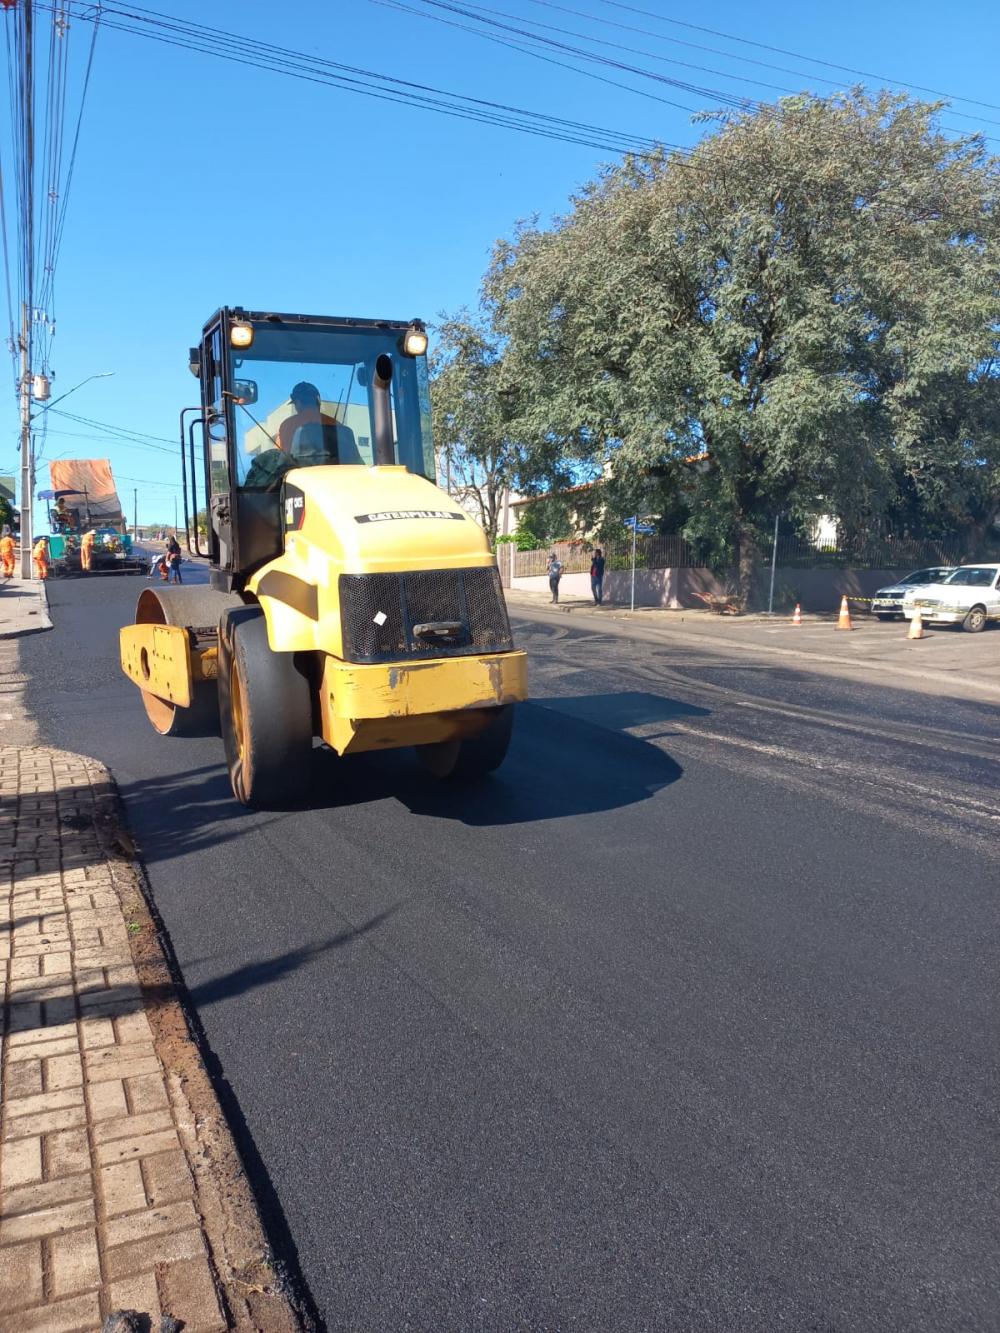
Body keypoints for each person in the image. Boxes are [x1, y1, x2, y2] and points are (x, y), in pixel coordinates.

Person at [277, 382, 341, 458]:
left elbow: (282, 458)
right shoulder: (337, 425)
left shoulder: (286, 425)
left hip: (299, 469)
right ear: (318, 401)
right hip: (338, 470)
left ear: (298, 402)